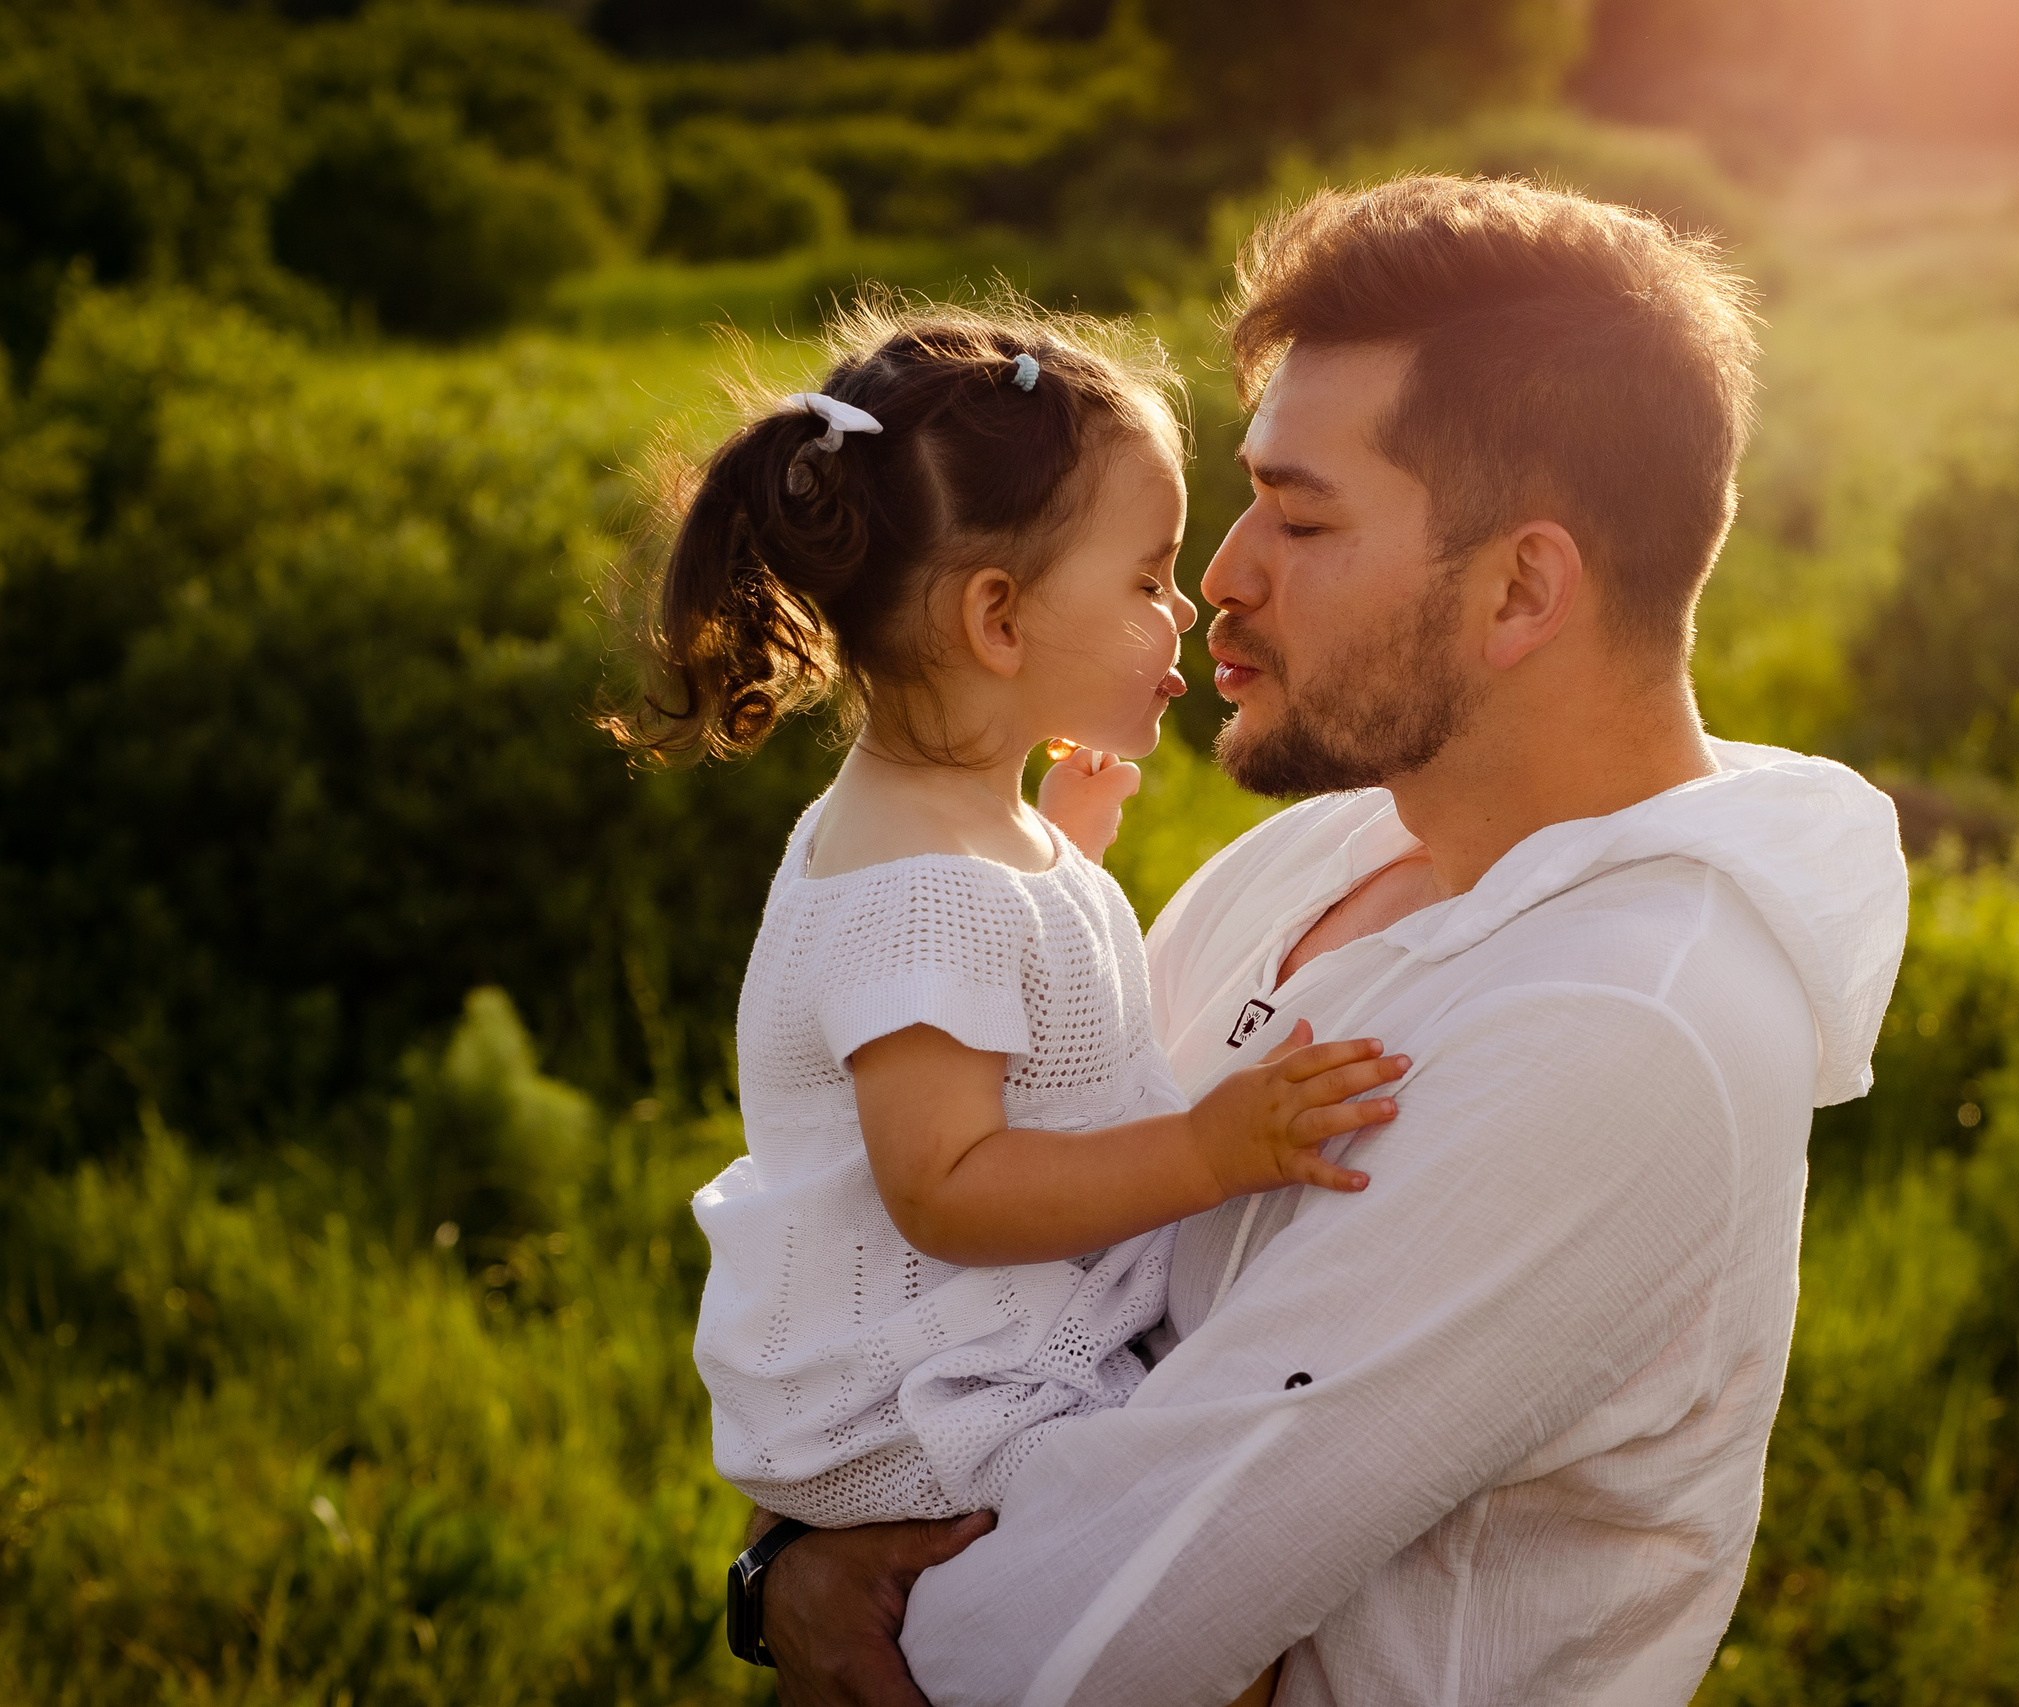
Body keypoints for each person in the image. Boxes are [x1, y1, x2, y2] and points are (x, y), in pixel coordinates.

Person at [757, 177, 1911, 1707]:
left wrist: (835, 1590)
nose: (1223, 575)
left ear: (1522, 588)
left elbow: (1067, 1649)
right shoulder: (1317, 850)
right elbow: (997, 1273)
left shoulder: (1633, 1025)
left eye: (1301, 517)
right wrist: (795, 1554)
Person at [612, 303, 1407, 1557]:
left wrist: (1062, 844)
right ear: (999, 622)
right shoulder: (927, 888)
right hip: (937, 1403)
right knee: (1214, 1578)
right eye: (1146, 579)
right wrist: (1208, 1151)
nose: (1183, 612)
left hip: (972, 1360)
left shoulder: (941, 839)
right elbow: (947, 1187)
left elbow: (991, 1002)